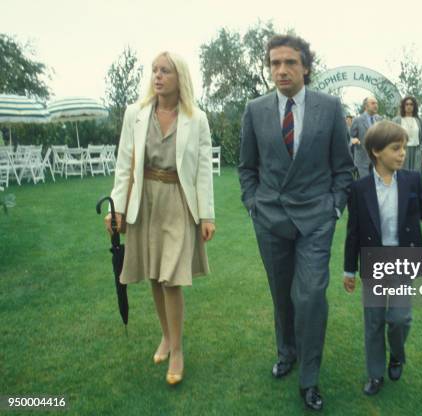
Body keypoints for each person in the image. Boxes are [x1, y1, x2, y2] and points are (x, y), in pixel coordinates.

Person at [238, 34, 353, 411]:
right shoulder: (255, 110)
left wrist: (335, 207)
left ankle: (310, 378)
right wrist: (253, 203)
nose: (281, 70)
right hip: (270, 217)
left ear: (306, 66)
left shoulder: (330, 107)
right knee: (282, 294)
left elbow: (343, 168)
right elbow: (246, 166)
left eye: (289, 62)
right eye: (274, 63)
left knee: (311, 296)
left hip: (317, 219)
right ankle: (287, 352)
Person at [104, 51, 215, 386]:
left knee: (172, 278)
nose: (158, 76)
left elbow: (204, 171)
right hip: (144, 201)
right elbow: (124, 165)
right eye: (154, 70)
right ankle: (166, 336)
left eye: (165, 70)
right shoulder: (134, 114)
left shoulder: (196, 118)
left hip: (179, 202)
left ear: (179, 76)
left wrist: (207, 214)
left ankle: (177, 349)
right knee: (154, 274)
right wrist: (117, 209)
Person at [342, 120, 422, 396]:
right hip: (373, 262)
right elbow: (353, 232)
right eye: (395, 148)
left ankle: (397, 355)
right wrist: (349, 270)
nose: (402, 153)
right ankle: (375, 375)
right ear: (376, 151)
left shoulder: (412, 180)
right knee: (373, 321)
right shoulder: (359, 189)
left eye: (403, 148)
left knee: (399, 319)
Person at [392, 96, 422, 176]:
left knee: (416, 174)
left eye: (411, 104)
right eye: (406, 104)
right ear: (403, 106)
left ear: (414, 106)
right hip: (402, 150)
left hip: (416, 151)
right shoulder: (396, 120)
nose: (409, 106)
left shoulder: (420, 120)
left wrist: (421, 148)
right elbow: (391, 136)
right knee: (402, 174)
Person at [351, 96, 383, 177]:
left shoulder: (380, 119)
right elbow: (350, 137)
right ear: (366, 106)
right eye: (373, 103)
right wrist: (354, 140)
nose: (376, 105)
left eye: (376, 103)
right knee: (364, 185)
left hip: (377, 160)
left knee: (376, 185)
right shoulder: (357, 120)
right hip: (362, 160)